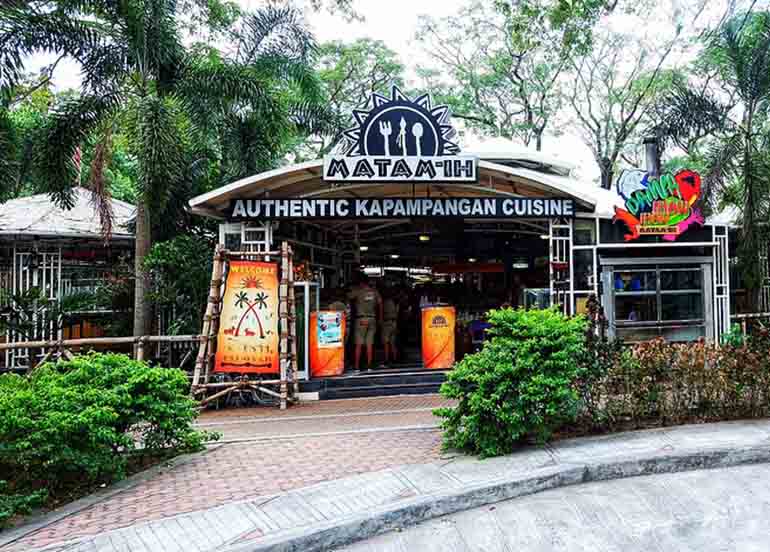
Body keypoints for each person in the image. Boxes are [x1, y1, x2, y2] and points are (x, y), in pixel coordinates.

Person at [348, 273, 382, 370]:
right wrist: (380, 318)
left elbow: (347, 296)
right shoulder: (375, 292)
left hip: (361, 320)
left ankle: (357, 366)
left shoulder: (358, 291)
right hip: (372, 319)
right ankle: (369, 365)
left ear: (361, 283)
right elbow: (380, 303)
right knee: (369, 344)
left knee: (359, 344)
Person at [381, 288, 400, 365]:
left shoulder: (385, 302)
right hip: (394, 323)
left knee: (386, 342)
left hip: (387, 322)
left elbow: (383, 312)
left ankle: (386, 359)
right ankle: (395, 358)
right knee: (392, 342)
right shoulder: (396, 302)